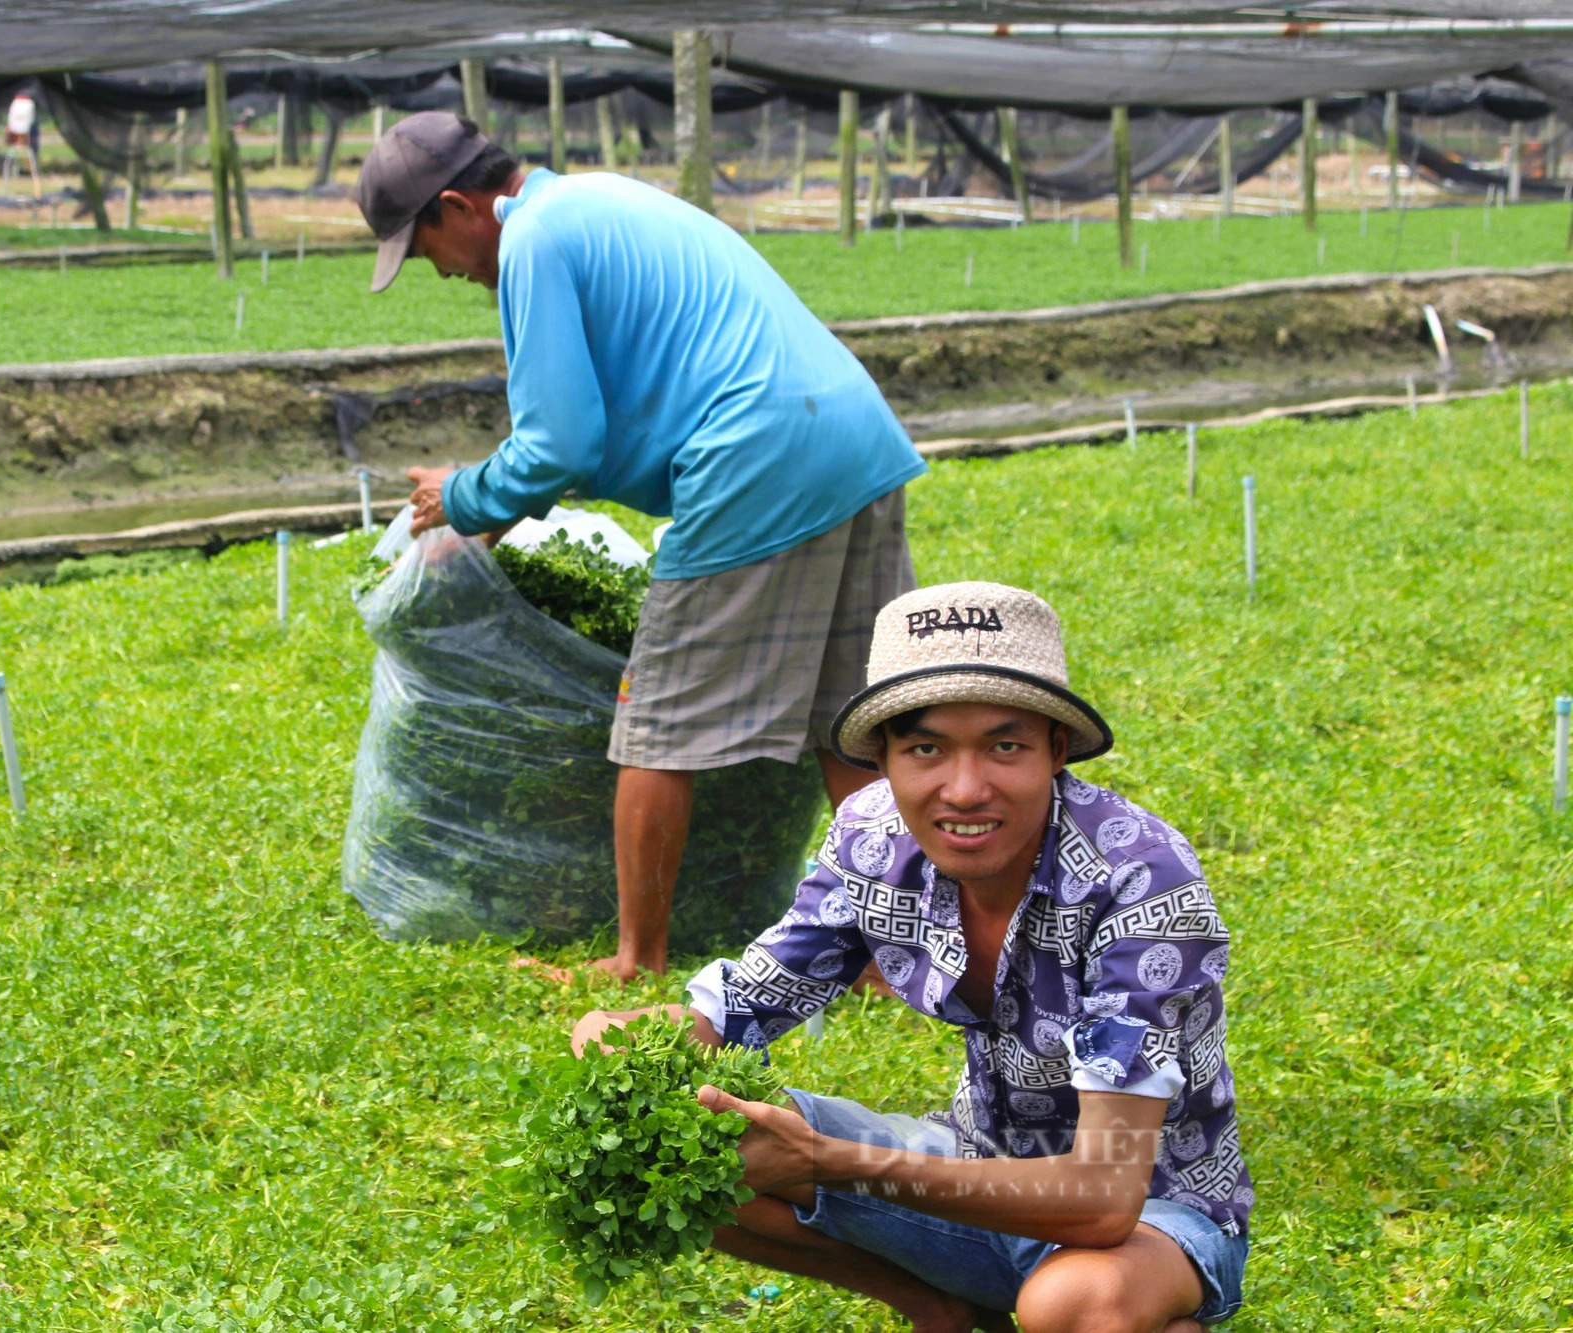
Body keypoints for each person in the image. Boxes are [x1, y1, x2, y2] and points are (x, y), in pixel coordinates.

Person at [568, 582, 1251, 1332]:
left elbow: (1104, 1194)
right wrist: (636, 1038)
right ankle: (939, 1306)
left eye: (1005, 745)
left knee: (1069, 1303)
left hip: (1150, 1209)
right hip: (971, 1157)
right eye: (925, 747)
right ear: (884, 759)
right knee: (683, 1146)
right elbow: (745, 1004)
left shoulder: (1142, 880)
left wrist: (829, 1158)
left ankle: (1134, 1309)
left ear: (1056, 750)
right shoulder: (871, 836)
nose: (964, 789)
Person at [355, 111, 925, 981]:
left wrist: (461, 497)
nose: (443, 268)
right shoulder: (596, 199)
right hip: (852, 438)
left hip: (755, 455)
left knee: (655, 725)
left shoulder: (534, 240)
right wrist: (495, 509)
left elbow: (562, 446)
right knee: (850, 724)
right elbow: (618, 416)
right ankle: (893, 961)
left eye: (426, 246)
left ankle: (634, 960)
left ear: (456, 206)